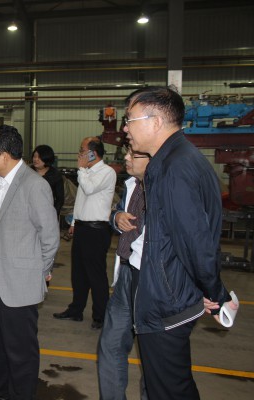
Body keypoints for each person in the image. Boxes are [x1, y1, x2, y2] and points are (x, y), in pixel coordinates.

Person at [123, 86, 238, 400]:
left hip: (167, 301)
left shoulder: (173, 167)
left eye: (130, 119)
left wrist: (214, 292)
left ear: (156, 121)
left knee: (169, 389)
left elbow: (194, 240)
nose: (125, 128)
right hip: (174, 291)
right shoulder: (180, 157)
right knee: (169, 385)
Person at [0, 124, 59, 400]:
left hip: (20, 279)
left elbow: (50, 236)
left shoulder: (34, 185)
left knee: (21, 348)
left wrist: (39, 273)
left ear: (4, 156)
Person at [97, 147, 150, 400]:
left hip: (151, 280)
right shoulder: (132, 185)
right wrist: (116, 217)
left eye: (133, 154)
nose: (126, 158)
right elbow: (115, 213)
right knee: (110, 345)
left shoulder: (166, 189)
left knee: (152, 354)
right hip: (126, 274)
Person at [54, 137, 116, 330]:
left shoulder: (106, 172)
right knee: (78, 274)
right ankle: (76, 310)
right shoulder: (87, 173)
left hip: (96, 231)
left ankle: (100, 315)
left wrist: (81, 169)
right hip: (82, 228)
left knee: (96, 275)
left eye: (82, 150)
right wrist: (75, 222)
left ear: (93, 153)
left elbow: (89, 189)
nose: (79, 154)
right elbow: (81, 201)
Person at [31, 144, 64, 217]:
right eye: (34, 156)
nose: (36, 159)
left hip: (47, 213)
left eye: (39, 157)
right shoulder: (28, 172)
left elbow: (60, 199)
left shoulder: (55, 175)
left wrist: (54, 214)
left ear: (47, 158)